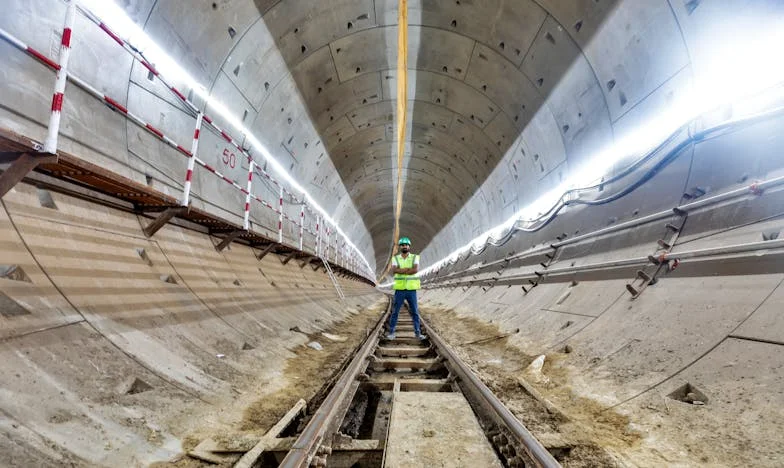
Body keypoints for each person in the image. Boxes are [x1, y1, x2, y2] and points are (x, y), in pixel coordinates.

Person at [387, 237, 425, 340]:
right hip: (400, 289)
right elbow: (394, 270)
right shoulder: (395, 258)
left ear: (409, 246)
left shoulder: (415, 257)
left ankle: (418, 333)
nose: (405, 246)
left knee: (415, 312)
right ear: (400, 247)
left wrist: (402, 270)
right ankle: (391, 333)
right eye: (403, 245)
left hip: (411, 289)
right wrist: (408, 269)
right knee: (395, 311)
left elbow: (415, 270)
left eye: (406, 245)